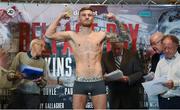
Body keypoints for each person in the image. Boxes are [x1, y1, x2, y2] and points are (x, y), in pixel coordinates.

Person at [45, 7, 121, 109]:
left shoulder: (101, 35)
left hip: (97, 81)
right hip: (80, 81)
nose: (87, 17)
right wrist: (59, 17)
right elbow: (49, 34)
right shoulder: (72, 35)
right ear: (79, 19)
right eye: (84, 15)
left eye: (89, 15)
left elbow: (124, 37)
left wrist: (116, 20)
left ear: (93, 18)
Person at [7, 39, 47, 109]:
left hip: (33, 96)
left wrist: (40, 81)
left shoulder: (43, 62)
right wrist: (17, 75)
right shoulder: (20, 56)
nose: (43, 49)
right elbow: (9, 74)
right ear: (34, 46)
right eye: (41, 46)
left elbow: (44, 83)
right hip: (18, 94)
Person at [102, 41, 144, 109]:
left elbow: (139, 72)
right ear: (111, 45)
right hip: (114, 97)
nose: (116, 51)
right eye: (114, 48)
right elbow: (102, 74)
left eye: (118, 48)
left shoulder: (133, 54)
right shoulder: (105, 56)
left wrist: (128, 78)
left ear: (123, 44)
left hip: (130, 95)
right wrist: (105, 77)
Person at [154, 35, 180, 109]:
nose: (166, 51)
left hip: (177, 100)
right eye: (164, 48)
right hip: (163, 101)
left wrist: (174, 83)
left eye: (169, 48)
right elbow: (156, 80)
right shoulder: (160, 62)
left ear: (176, 46)